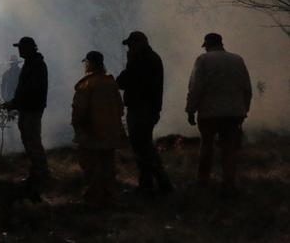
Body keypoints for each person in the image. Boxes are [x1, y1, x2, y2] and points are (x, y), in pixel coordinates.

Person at [186, 33, 252, 197]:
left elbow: (195, 88)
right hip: (234, 113)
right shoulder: (237, 60)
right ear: (221, 43)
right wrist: (244, 110)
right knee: (229, 149)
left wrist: (190, 110)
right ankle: (229, 184)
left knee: (207, 146)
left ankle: (202, 182)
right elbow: (247, 88)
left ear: (207, 45)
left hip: (210, 114)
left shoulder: (202, 60)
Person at [116, 31, 173, 195]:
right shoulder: (150, 58)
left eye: (130, 45)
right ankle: (149, 185)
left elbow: (126, 80)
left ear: (138, 43)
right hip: (148, 108)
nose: (128, 48)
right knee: (144, 146)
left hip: (140, 109)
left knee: (142, 146)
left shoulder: (141, 59)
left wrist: (127, 65)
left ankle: (161, 184)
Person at [72, 51, 128, 208]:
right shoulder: (110, 82)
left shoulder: (86, 84)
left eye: (86, 63)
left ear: (89, 63)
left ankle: (93, 199)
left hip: (92, 134)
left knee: (90, 166)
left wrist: (78, 129)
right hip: (110, 134)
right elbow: (120, 107)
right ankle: (109, 197)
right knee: (108, 166)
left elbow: (79, 112)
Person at [2, 36, 49, 200]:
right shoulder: (32, 64)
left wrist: (14, 103)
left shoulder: (35, 65)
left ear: (29, 48)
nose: (19, 50)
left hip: (31, 109)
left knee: (33, 141)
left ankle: (41, 176)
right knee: (30, 141)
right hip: (27, 108)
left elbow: (30, 91)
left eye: (21, 47)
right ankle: (37, 174)